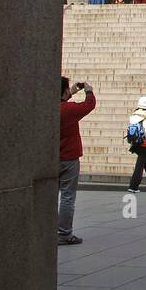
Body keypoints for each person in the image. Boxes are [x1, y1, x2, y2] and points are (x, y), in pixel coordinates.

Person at [58, 77, 96, 245]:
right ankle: (64, 233)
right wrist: (88, 90)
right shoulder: (69, 110)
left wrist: (69, 93)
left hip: (49, 160)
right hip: (69, 158)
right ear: (65, 91)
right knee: (67, 197)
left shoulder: (44, 109)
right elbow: (89, 105)